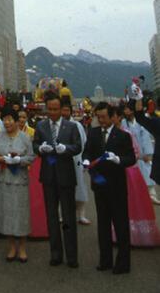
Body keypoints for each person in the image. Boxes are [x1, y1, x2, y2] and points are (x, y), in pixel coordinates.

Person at [82, 102, 136, 274]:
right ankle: (105, 260)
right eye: (99, 117)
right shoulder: (93, 133)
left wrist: (119, 160)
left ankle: (123, 263)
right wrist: (85, 160)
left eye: (104, 117)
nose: (101, 120)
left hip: (117, 186)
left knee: (120, 224)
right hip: (99, 185)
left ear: (112, 117)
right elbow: (87, 152)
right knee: (103, 224)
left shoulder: (122, 136)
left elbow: (132, 158)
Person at [33, 92, 82, 268]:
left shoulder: (71, 126)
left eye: (56, 109)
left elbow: (78, 146)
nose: (53, 112)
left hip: (66, 176)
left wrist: (66, 149)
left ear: (62, 109)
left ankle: (72, 256)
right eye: (50, 109)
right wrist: (41, 148)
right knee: (51, 217)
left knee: (68, 218)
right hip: (48, 177)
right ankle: (55, 254)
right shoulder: (41, 126)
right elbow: (35, 145)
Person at [0, 107, 35, 262]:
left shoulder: (25, 138)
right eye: (5, 119)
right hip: (4, 180)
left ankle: (22, 247)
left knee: (21, 213)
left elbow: (31, 156)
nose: (7, 122)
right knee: (7, 213)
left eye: (10, 119)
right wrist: (1, 159)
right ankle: (11, 246)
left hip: (20, 180)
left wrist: (19, 160)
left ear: (17, 121)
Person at [112, 106, 160, 247]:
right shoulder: (116, 131)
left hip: (132, 167)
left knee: (136, 200)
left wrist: (145, 155)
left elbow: (139, 145)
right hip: (123, 168)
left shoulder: (128, 131)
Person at [60, 99, 90, 225]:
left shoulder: (77, 125)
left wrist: (83, 160)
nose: (64, 112)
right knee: (62, 188)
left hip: (76, 160)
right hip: (61, 160)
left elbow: (83, 143)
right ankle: (62, 214)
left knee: (80, 187)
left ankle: (81, 215)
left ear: (70, 112)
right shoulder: (57, 125)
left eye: (67, 110)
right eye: (63, 110)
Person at [123, 102, 159, 204]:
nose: (126, 111)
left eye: (128, 109)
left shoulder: (141, 121)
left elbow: (146, 137)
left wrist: (147, 153)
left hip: (143, 153)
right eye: (125, 109)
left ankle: (152, 195)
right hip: (131, 153)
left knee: (147, 173)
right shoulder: (123, 123)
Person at [134, 91, 160, 189]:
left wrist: (139, 98)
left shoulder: (157, 123)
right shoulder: (157, 123)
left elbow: (140, 117)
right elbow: (140, 117)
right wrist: (139, 98)